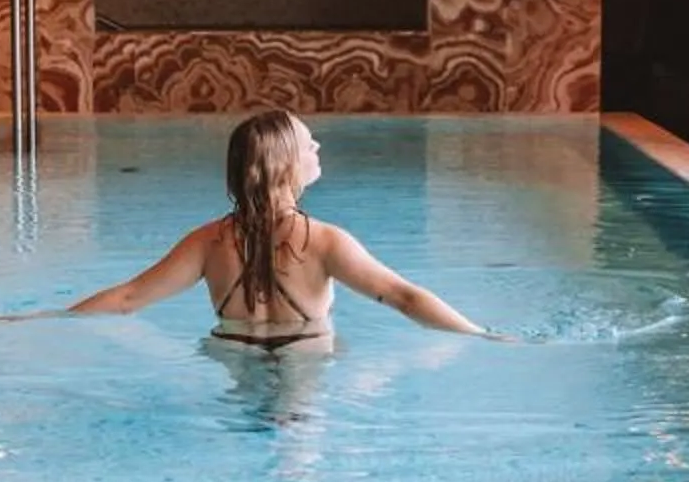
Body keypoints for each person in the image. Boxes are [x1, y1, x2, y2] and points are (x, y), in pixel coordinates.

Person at [45, 109, 492, 345]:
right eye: (307, 142)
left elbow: (127, 299)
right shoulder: (325, 241)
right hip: (307, 371)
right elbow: (404, 297)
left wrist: (47, 319)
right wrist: (484, 336)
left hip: (235, 364)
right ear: (286, 166)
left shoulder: (208, 242)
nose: (317, 146)